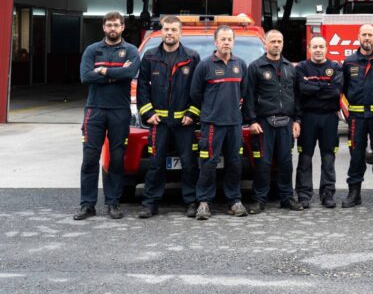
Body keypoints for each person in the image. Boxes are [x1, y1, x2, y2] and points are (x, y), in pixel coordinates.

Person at [75, 11, 139, 220]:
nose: (113, 28)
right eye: (109, 25)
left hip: (119, 112)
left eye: (116, 25)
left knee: (117, 159)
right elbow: (85, 77)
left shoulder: (130, 51)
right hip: (94, 110)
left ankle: (113, 203)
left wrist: (103, 72)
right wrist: (116, 74)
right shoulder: (92, 50)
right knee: (90, 159)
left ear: (123, 27)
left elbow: (129, 74)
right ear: (104, 27)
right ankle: (87, 205)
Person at [136, 15, 201, 218]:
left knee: (189, 164)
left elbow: (198, 89)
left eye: (174, 30)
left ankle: (191, 202)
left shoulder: (192, 57)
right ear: (161, 31)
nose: (170, 33)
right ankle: (150, 203)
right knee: (155, 163)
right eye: (166, 29)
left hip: (185, 124)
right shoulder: (149, 57)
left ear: (180, 32)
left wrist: (192, 113)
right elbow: (142, 88)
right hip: (159, 123)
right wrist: (148, 113)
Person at [189, 25, 248, 220]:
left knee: (234, 162)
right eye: (222, 39)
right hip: (212, 124)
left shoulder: (240, 64)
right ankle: (204, 202)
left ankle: (234, 201)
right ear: (216, 42)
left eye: (229, 39)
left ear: (233, 42)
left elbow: (244, 92)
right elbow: (195, 94)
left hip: (234, 124)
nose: (226, 43)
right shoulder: (205, 65)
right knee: (208, 163)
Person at [244, 29, 303, 213]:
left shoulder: (290, 68)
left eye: (279, 41)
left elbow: (297, 96)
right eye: (273, 41)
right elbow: (249, 97)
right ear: (266, 44)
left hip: (286, 122)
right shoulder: (255, 67)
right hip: (263, 123)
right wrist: (252, 120)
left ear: (283, 44)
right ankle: (259, 199)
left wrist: (297, 120)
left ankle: (287, 198)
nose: (276, 45)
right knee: (263, 163)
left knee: (286, 162)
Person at [341, 24, 373, 209]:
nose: (367, 38)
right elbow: (343, 89)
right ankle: (354, 194)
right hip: (357, 117)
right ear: (359, 37)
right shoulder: (349, 62)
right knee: (356, 156)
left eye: (370, 35)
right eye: (364, 35)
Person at [295, 36, 343, 209]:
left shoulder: (335, 67)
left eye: (321, 46)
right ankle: (303, 194)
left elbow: (336, 91)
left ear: (326, 48)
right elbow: (302, 89)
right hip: (308, 117)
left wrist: (312, 85)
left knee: (328, 157)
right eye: (314, 46)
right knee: (305, 158)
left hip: (329, 118)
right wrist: (324, 86)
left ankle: (328, 194)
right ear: (309, 48)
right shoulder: (301, 68)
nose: (318, 50)